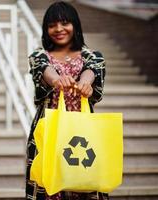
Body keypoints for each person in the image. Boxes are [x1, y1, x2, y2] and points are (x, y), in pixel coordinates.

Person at [25, 1, 107, 200]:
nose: (58, 29)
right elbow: (45, 70)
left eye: (64, 23)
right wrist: (56, 79)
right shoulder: (39, 56)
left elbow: (92, 70)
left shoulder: (93, 56)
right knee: (48, 187)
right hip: (49, 132)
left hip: (83, 134)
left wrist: (85, 83)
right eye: (52, 25)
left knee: (86, 184)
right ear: (46, 29)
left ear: (75, 26)